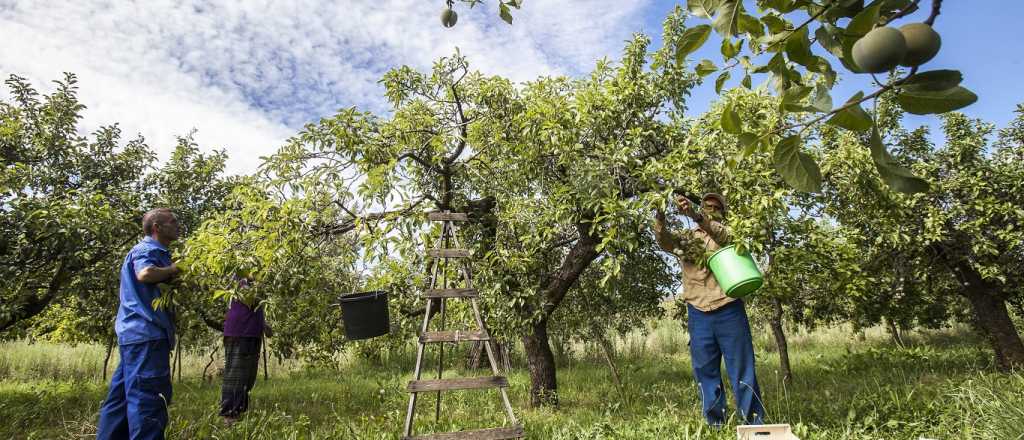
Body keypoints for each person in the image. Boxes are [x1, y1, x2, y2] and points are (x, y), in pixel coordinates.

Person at [652, 191, 765, 427]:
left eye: (715, 207)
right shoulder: (688, 238)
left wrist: (696, 215)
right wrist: (660, 215)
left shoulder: (730, 234)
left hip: (728, 308)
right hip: (698, 311)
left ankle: (754, 425)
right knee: (705, 371)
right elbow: (665, 242)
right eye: (706, 206)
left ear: (722, 212)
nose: (710, 210)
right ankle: (715, 424)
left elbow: (724, 236)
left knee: (742, 369)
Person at [97, 208, 182, 440]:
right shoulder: (147, 249)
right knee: (149, 400)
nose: (177, 225)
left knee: (120, 400)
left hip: (136, 336)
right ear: (157, 227)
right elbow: (145, 274)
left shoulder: (161, 252)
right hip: (147, 335)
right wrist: (175, 269)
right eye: (172, 221)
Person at [219, 277, 272, 426]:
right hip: (240, 334)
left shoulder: (252, 285)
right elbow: (250, 298)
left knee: (247, 378)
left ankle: (239, 412)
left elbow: (252, 308)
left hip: (250, 334)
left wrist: (263, 325)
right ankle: (230, 416)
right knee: (236, 377)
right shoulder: (241, 281)